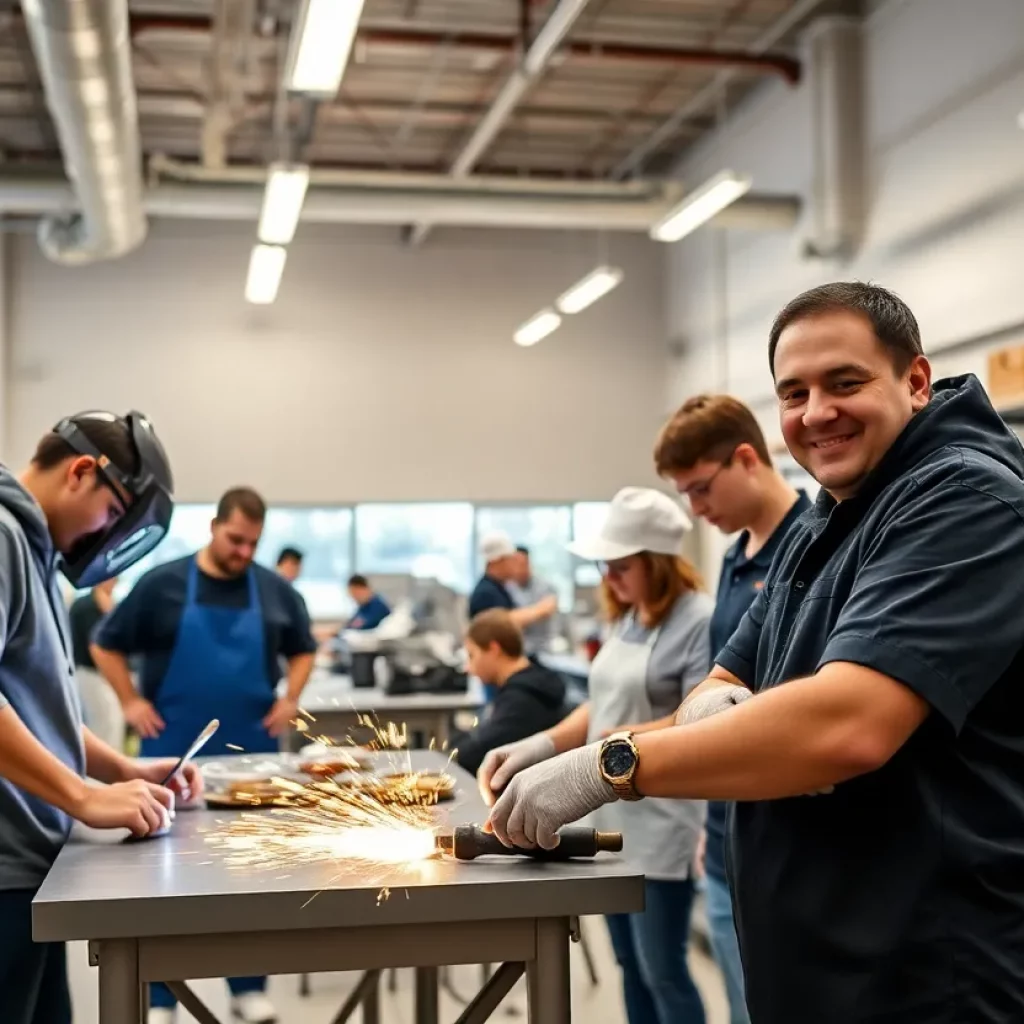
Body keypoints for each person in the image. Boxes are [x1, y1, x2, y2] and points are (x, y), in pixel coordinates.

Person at [480, 282, 1024, 1024]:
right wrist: (701, 705)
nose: (816, 412)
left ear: (917, 381)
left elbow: (849, 723)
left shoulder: (963, 500)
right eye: (792, 393)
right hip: (819, 954)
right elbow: (731, 670)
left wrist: (610, 764)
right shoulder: (824, 519)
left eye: (845, 382)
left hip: (923, 970)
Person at [480, 488, 712, 1024]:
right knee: (629, 963)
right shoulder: (627, 617)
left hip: (663, 817)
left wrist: (608, 749)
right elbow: (600, 705)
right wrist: (543, 745)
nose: (609, 578)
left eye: (621, 566)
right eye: (605, 566)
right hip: (607, 809)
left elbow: (702, 719)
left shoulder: (699, 619)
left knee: (662, 969)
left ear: (657, 563)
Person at [0, 409, 198, 1024]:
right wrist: (82, 795)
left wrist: (116, 768)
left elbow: (37, 707)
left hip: (29, 861)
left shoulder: (36, 555)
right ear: (82, 471)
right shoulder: (3, 535)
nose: (105, 534)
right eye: (112, 515)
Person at [92, 486, 318, 1024]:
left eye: (252, 544)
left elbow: (304, 647)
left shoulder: (273, 590)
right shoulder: (161, 584)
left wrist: (291, 698)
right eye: (235, 539)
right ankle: (163, 995)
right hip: (167, 755)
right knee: (167, 875)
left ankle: (248, 987)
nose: (243, 552)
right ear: (215, 527)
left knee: (252, 872)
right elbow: (106, 642)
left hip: (252, 756)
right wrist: (129, 700)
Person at [651, 394, 811, 1024]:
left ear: (746, 458)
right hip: (725, 838)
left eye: (699, 489)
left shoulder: (813, 547)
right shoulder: (735, 555)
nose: (695, 509)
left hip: (791, 843)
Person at [452, 609, 566, 777]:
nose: (468, 668)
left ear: (494, 649)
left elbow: (475, 755)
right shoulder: (530, 687)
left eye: (472, 655)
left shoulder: (521, 702)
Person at [469, 532, 557, 701]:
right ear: (497, 560)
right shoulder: (486, 593)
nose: (514, 565)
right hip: (494, 674)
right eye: (511, 559)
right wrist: (541, 609)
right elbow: (500, 624)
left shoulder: (502, 589)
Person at [69, 576, 126, 751]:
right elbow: (96, 645)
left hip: (102, 675)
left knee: (112, 722)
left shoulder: (111, 604)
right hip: (89, 672)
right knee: (104, 722)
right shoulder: (86, 605)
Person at [507, 546, 559, 657]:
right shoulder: (506, 588)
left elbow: (547, 609)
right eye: (516, 563)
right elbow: (503, 623)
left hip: (543, 651)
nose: (520, 568)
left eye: (523, 564)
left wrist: (515, 617)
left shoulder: (545, 586)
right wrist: (536, 611)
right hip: (517, 654)